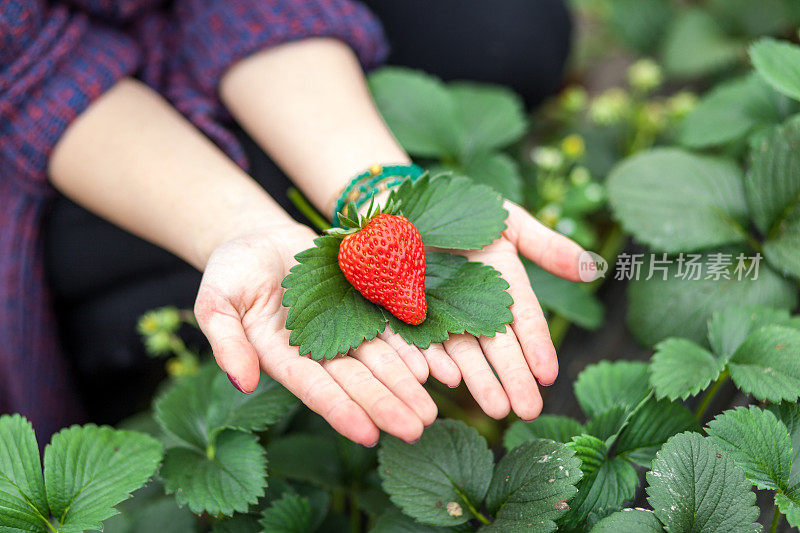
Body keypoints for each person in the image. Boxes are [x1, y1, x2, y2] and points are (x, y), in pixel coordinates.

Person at [1, 0, 583, 446]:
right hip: (49, 143)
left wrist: (367, 180)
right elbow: (29, 72)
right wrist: (235, 224)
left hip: (188, 27)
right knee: (126, 285)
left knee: (507, 34)